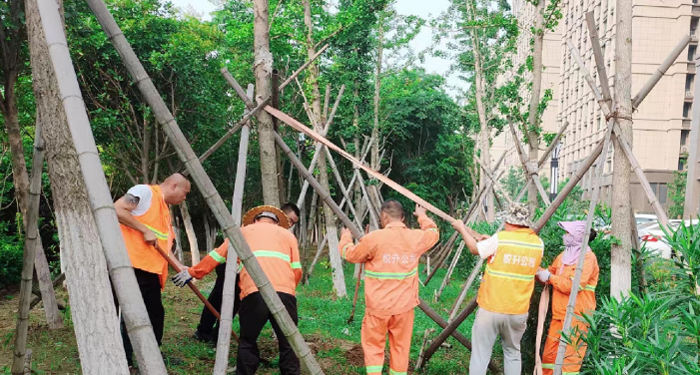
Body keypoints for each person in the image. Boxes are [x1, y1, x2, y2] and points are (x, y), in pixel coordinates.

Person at [338, 200, 439, 375]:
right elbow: (433, 233)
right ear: (403, 218)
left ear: (384, 216)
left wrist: (345, 237)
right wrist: (422, 216)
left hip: (378, 308)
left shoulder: (373, 239)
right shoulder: (415, 238)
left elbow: (350, 254)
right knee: (400, 349)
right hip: (404, 308)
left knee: (373, 348)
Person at [452, 203, 544, 375]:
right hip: (517, 312)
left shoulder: (501, 238)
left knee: (481, 355)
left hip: (491, 309)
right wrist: (491, 241)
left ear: (509, 222)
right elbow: (516, 257)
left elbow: (474, 248)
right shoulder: (538, 244)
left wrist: (461, 229)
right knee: (512, 353)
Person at [190, 203, 300, 343]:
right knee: (218, 299)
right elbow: (221, 252)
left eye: (293, 223)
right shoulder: (248, 230)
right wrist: (194, 272)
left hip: (250, 275)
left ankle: (219, 334)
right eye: (289, 220)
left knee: (235, 305)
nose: (290, 224)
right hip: (233, 269)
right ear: (281, 215)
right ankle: (203, 330)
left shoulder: (282, 235)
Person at [114, 173, 191, 370]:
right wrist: (142, 229)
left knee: (155, 314)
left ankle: (151, 355)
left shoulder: (164, 210)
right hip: (132, 267)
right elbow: (117, 209)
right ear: (174, 186)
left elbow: (162, 246)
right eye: (185, 192)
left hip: (151, 271)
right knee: (129, 316)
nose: (185, 197)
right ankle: (125, 362)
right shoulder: (144, 192)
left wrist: (179, 267)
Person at [537, 221, 599, 375]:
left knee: (570, 362)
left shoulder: (588, 258)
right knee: (549, 358)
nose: (565, 236)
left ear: (578, 236)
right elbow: (548, 275)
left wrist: (550, 277)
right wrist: (536, 270)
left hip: (577, 316)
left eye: (568, 233)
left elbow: (571, 286)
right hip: (559, 315)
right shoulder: (564, 256)